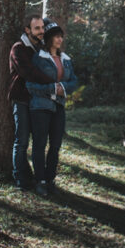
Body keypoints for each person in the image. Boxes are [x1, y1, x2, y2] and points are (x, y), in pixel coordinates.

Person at [26, 18, 78, 197]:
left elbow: (74, 81)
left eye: (61, 36)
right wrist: (52, 89)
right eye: (56, 36)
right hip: (40, 107)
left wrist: (62, 89)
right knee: (40, 144)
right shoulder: (39, 58)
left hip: (59, 107)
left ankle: (50, 180)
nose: (60, 39)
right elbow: (30, 85)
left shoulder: (66, 59)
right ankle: (39, 181)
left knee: (55, 145)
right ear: (48, 38)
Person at [8, 14, 55, 191]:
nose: (41, 31)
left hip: (39, 101)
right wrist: (51, 81)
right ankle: (20, 178)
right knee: (21, 141)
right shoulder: (18, 49)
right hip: (21, 99)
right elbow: (29, 73)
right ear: (27, 30)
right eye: (37, 28)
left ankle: (40, 179)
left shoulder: (42, 48)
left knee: (39, 142)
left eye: (42, 28)